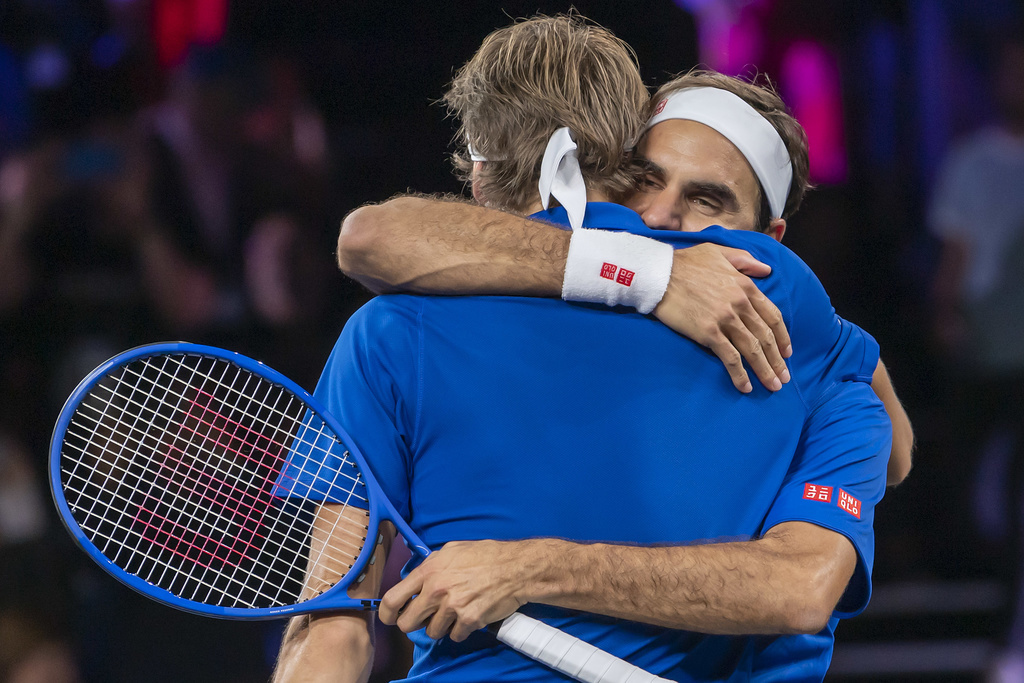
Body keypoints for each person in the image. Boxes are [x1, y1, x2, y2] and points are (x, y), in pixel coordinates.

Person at [273, 14, 890, 682]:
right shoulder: (778, 295)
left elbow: (330, 630)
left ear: (478, 177)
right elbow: (881, 413)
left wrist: (527, 567)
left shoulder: (386, 334)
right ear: (626, 157)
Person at [336, 81, 913, 487]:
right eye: (644, 180)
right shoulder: (561, 268)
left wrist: (825, 340)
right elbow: (368, 239)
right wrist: (653, 275)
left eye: (706, 199)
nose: (659, 216)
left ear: (771, 240)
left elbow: (895, 454)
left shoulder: (784, 309)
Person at [928, 32, 1024, 682]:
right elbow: (955, 254)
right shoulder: (974, 160)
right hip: (993, 349)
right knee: (988, 490)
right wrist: (944, 311)